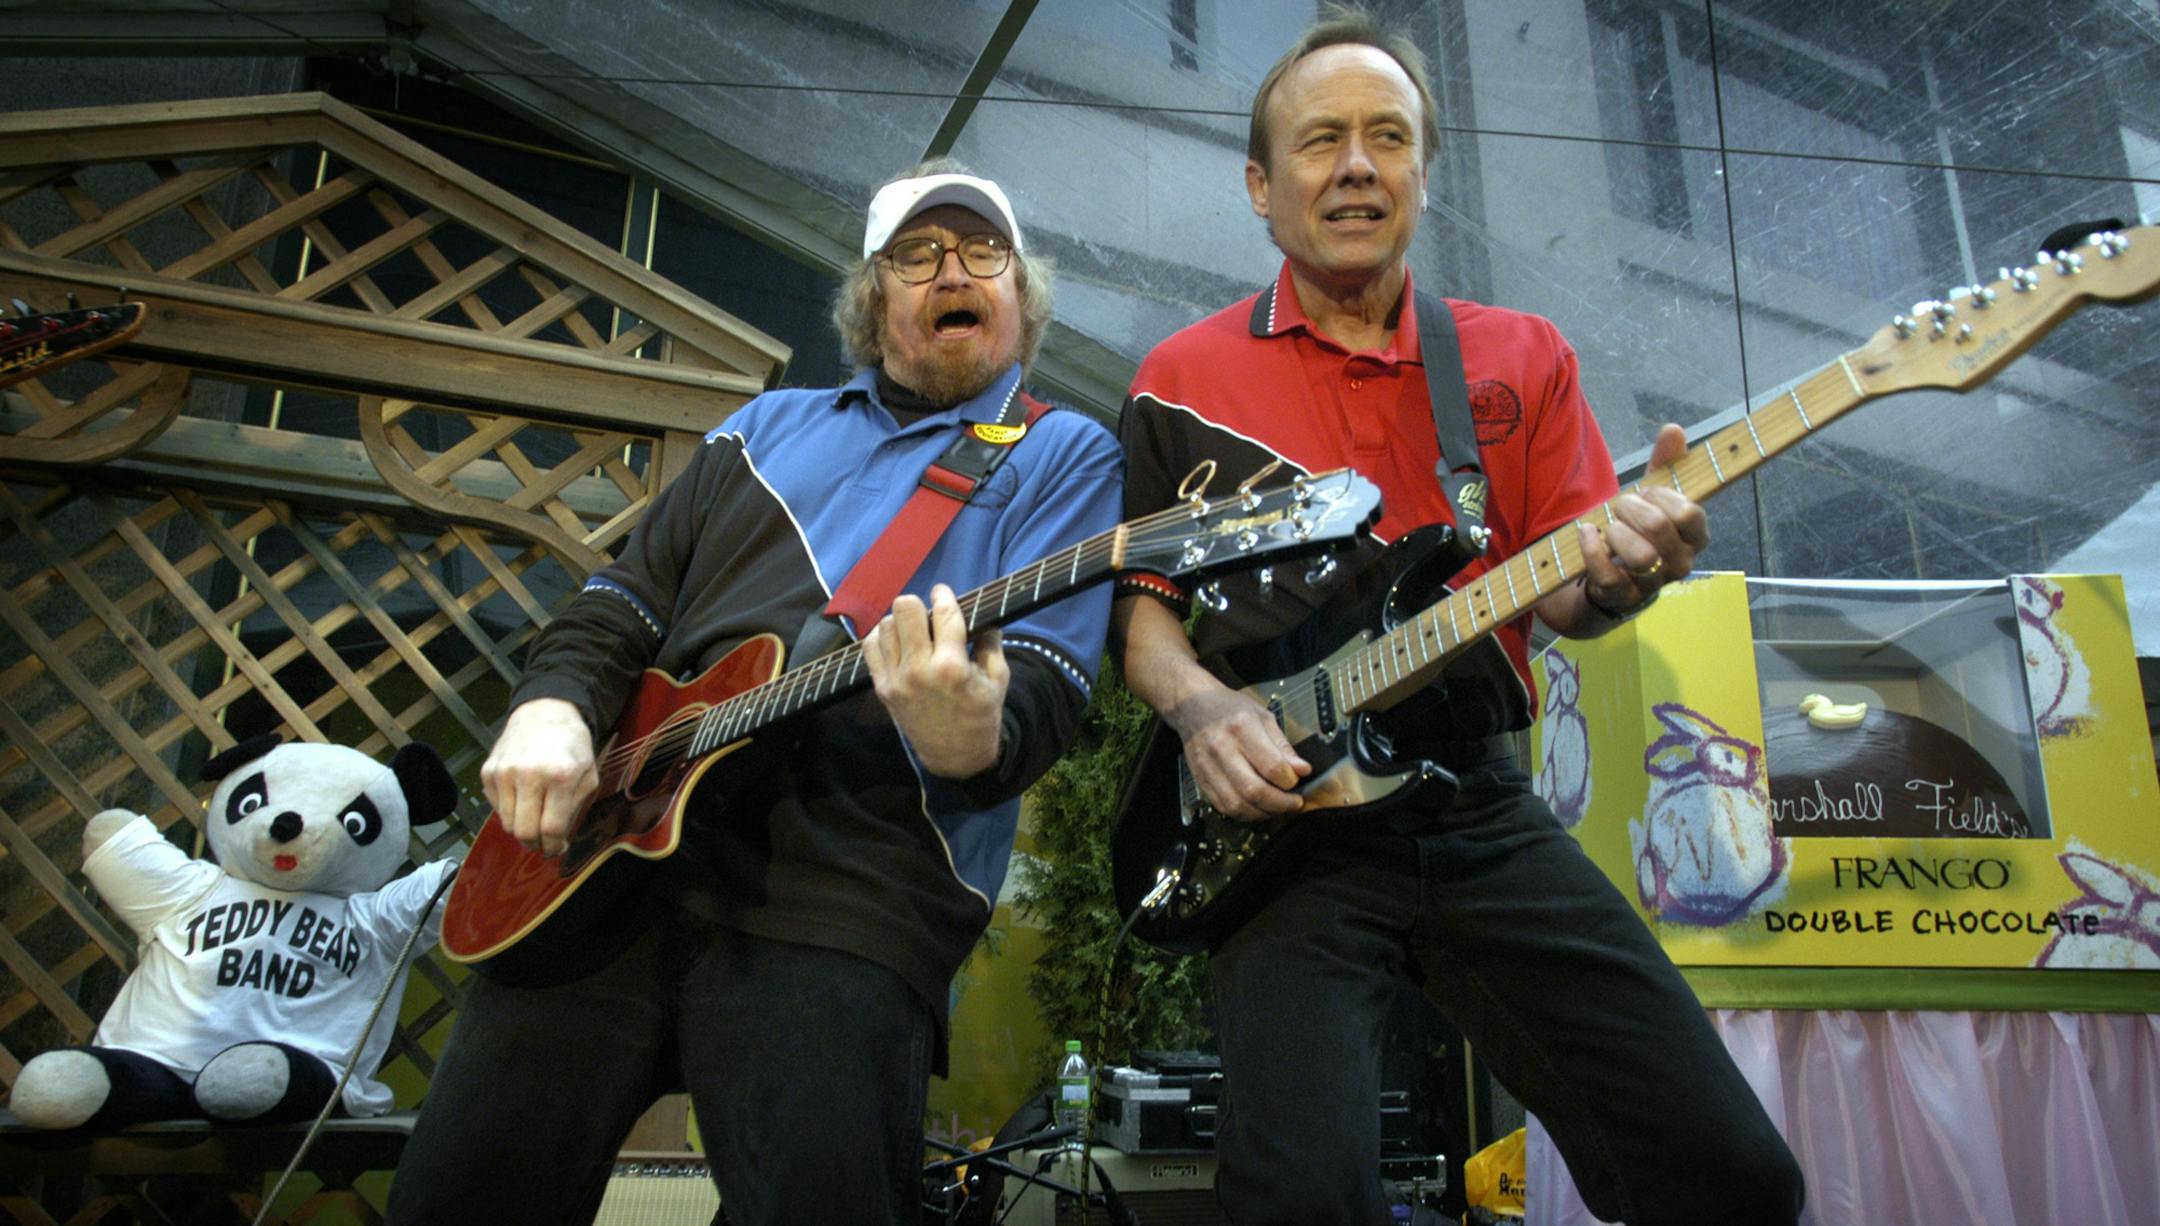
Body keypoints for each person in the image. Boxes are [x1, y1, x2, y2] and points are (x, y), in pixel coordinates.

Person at [1111, 9, 1806, 1225]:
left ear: (1424, 173)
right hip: (1290, 829)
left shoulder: (1519, 355)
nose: (1358, 165)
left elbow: (1572, 591)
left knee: (1733, 1174)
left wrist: (1626, 573)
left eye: (1389, 136)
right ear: (1261, 188)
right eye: (1321, 140)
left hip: (1479, 804)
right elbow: (1143, 616)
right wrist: (1203, 707)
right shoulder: (1181, 376)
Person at [389, 164, 1122, 1225]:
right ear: (873, 299)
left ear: (1021, 294)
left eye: (983, 252)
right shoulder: (767, 425)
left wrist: (969, 732)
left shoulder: (1065, 452)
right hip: (601, 868)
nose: (953, 272)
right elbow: (625, 598)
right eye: (916, 255)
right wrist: (552, 707)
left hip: (849, 890)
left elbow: (1044, 691)